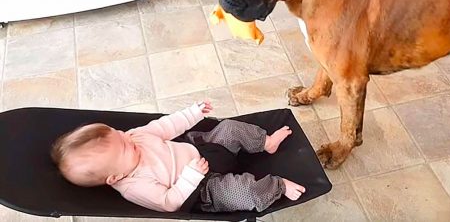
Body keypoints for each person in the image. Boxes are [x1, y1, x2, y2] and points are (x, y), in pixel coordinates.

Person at [50, 101, 306, 213]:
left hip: (203, 150)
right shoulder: (134, 186)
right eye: (125, 147)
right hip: (204, 188)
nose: (128, 138)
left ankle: (265, 142)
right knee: (242, 193)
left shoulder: (133, 137)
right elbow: (168, 202)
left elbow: (166, 126)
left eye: (120, 133)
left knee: (229, 127)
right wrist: (190, 177)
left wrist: (192, 113)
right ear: (115, 176)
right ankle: (278, 185)